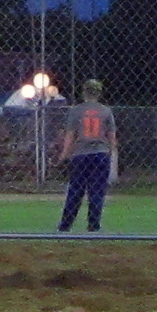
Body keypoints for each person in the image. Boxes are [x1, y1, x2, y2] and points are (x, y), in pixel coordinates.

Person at [55, 79, 118, 233]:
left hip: (81, 154)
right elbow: (111, 137)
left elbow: (70, 136)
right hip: (101, 153)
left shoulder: (76, 111)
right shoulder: (105, 111)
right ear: (99, 93)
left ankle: (65, 225)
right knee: (97, 191)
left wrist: (63, 155)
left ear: (84, 92)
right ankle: (93, 225)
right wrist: (113, 155)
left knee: (76, 191)